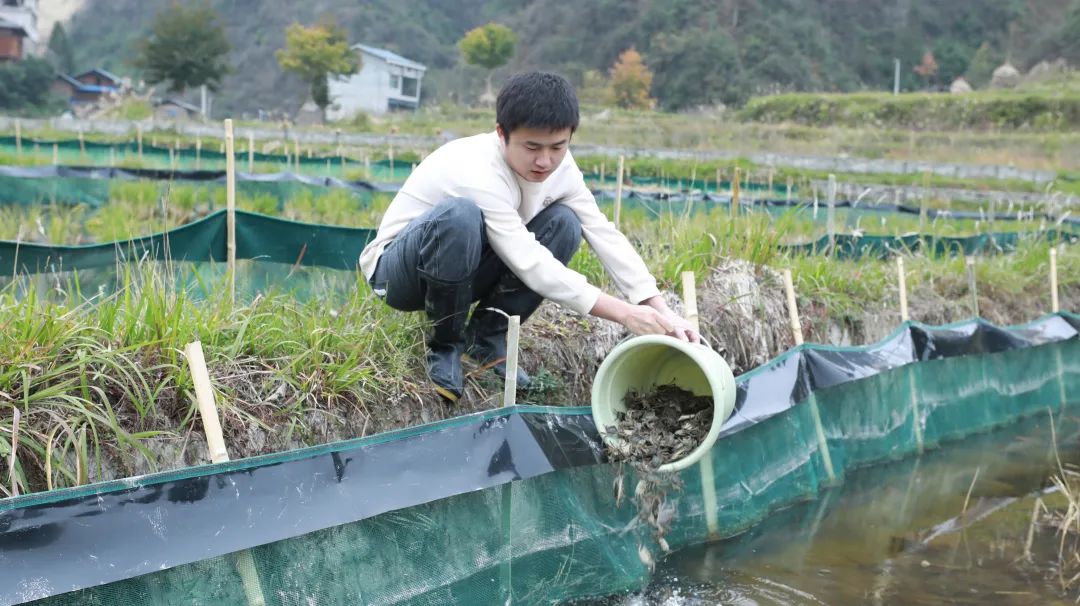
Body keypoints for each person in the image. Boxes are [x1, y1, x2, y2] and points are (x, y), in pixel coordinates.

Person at [361, 72, 700, 403]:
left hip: (465, 267)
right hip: (399, 274)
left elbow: (603, 234)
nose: (545, 161)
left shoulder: (562, 170)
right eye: (532, 147)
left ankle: (487, 338)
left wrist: (660, 309)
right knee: (460, 216)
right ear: (501, 133)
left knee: (567, 223)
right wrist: (624, 314)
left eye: (558, 147)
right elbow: (529, 260)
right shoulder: (475, 170)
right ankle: (444, 344)